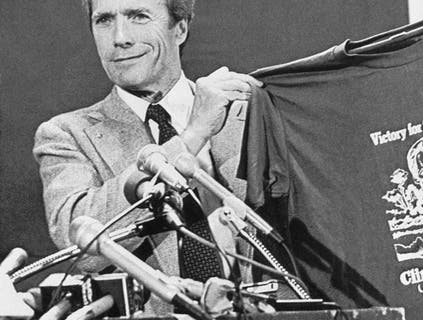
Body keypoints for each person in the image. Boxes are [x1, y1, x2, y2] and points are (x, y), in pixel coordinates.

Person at [32, 0, 261, 313]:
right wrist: (192, 136)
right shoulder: (66, 134)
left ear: (180, 28)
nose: (120, 36)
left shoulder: (247, 116)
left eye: (138, 16)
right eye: (104, 20)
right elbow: (83, 249)